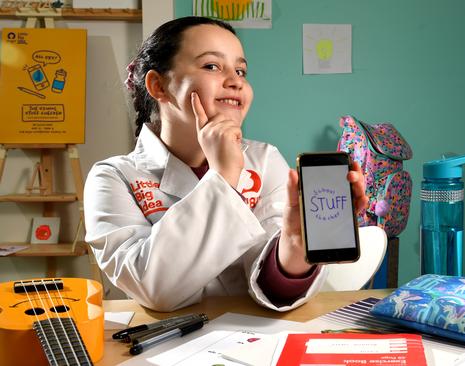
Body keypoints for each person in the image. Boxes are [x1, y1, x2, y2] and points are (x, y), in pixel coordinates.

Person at [83, 16, 368, 312]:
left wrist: (294, 247)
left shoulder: (265, 160)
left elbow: (275, 285)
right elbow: (153, 289)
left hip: (254, 341)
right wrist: (223, 177)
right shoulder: (112, 178)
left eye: (241, 70)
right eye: (212, 66)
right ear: (158, 85)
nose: (235, 81)